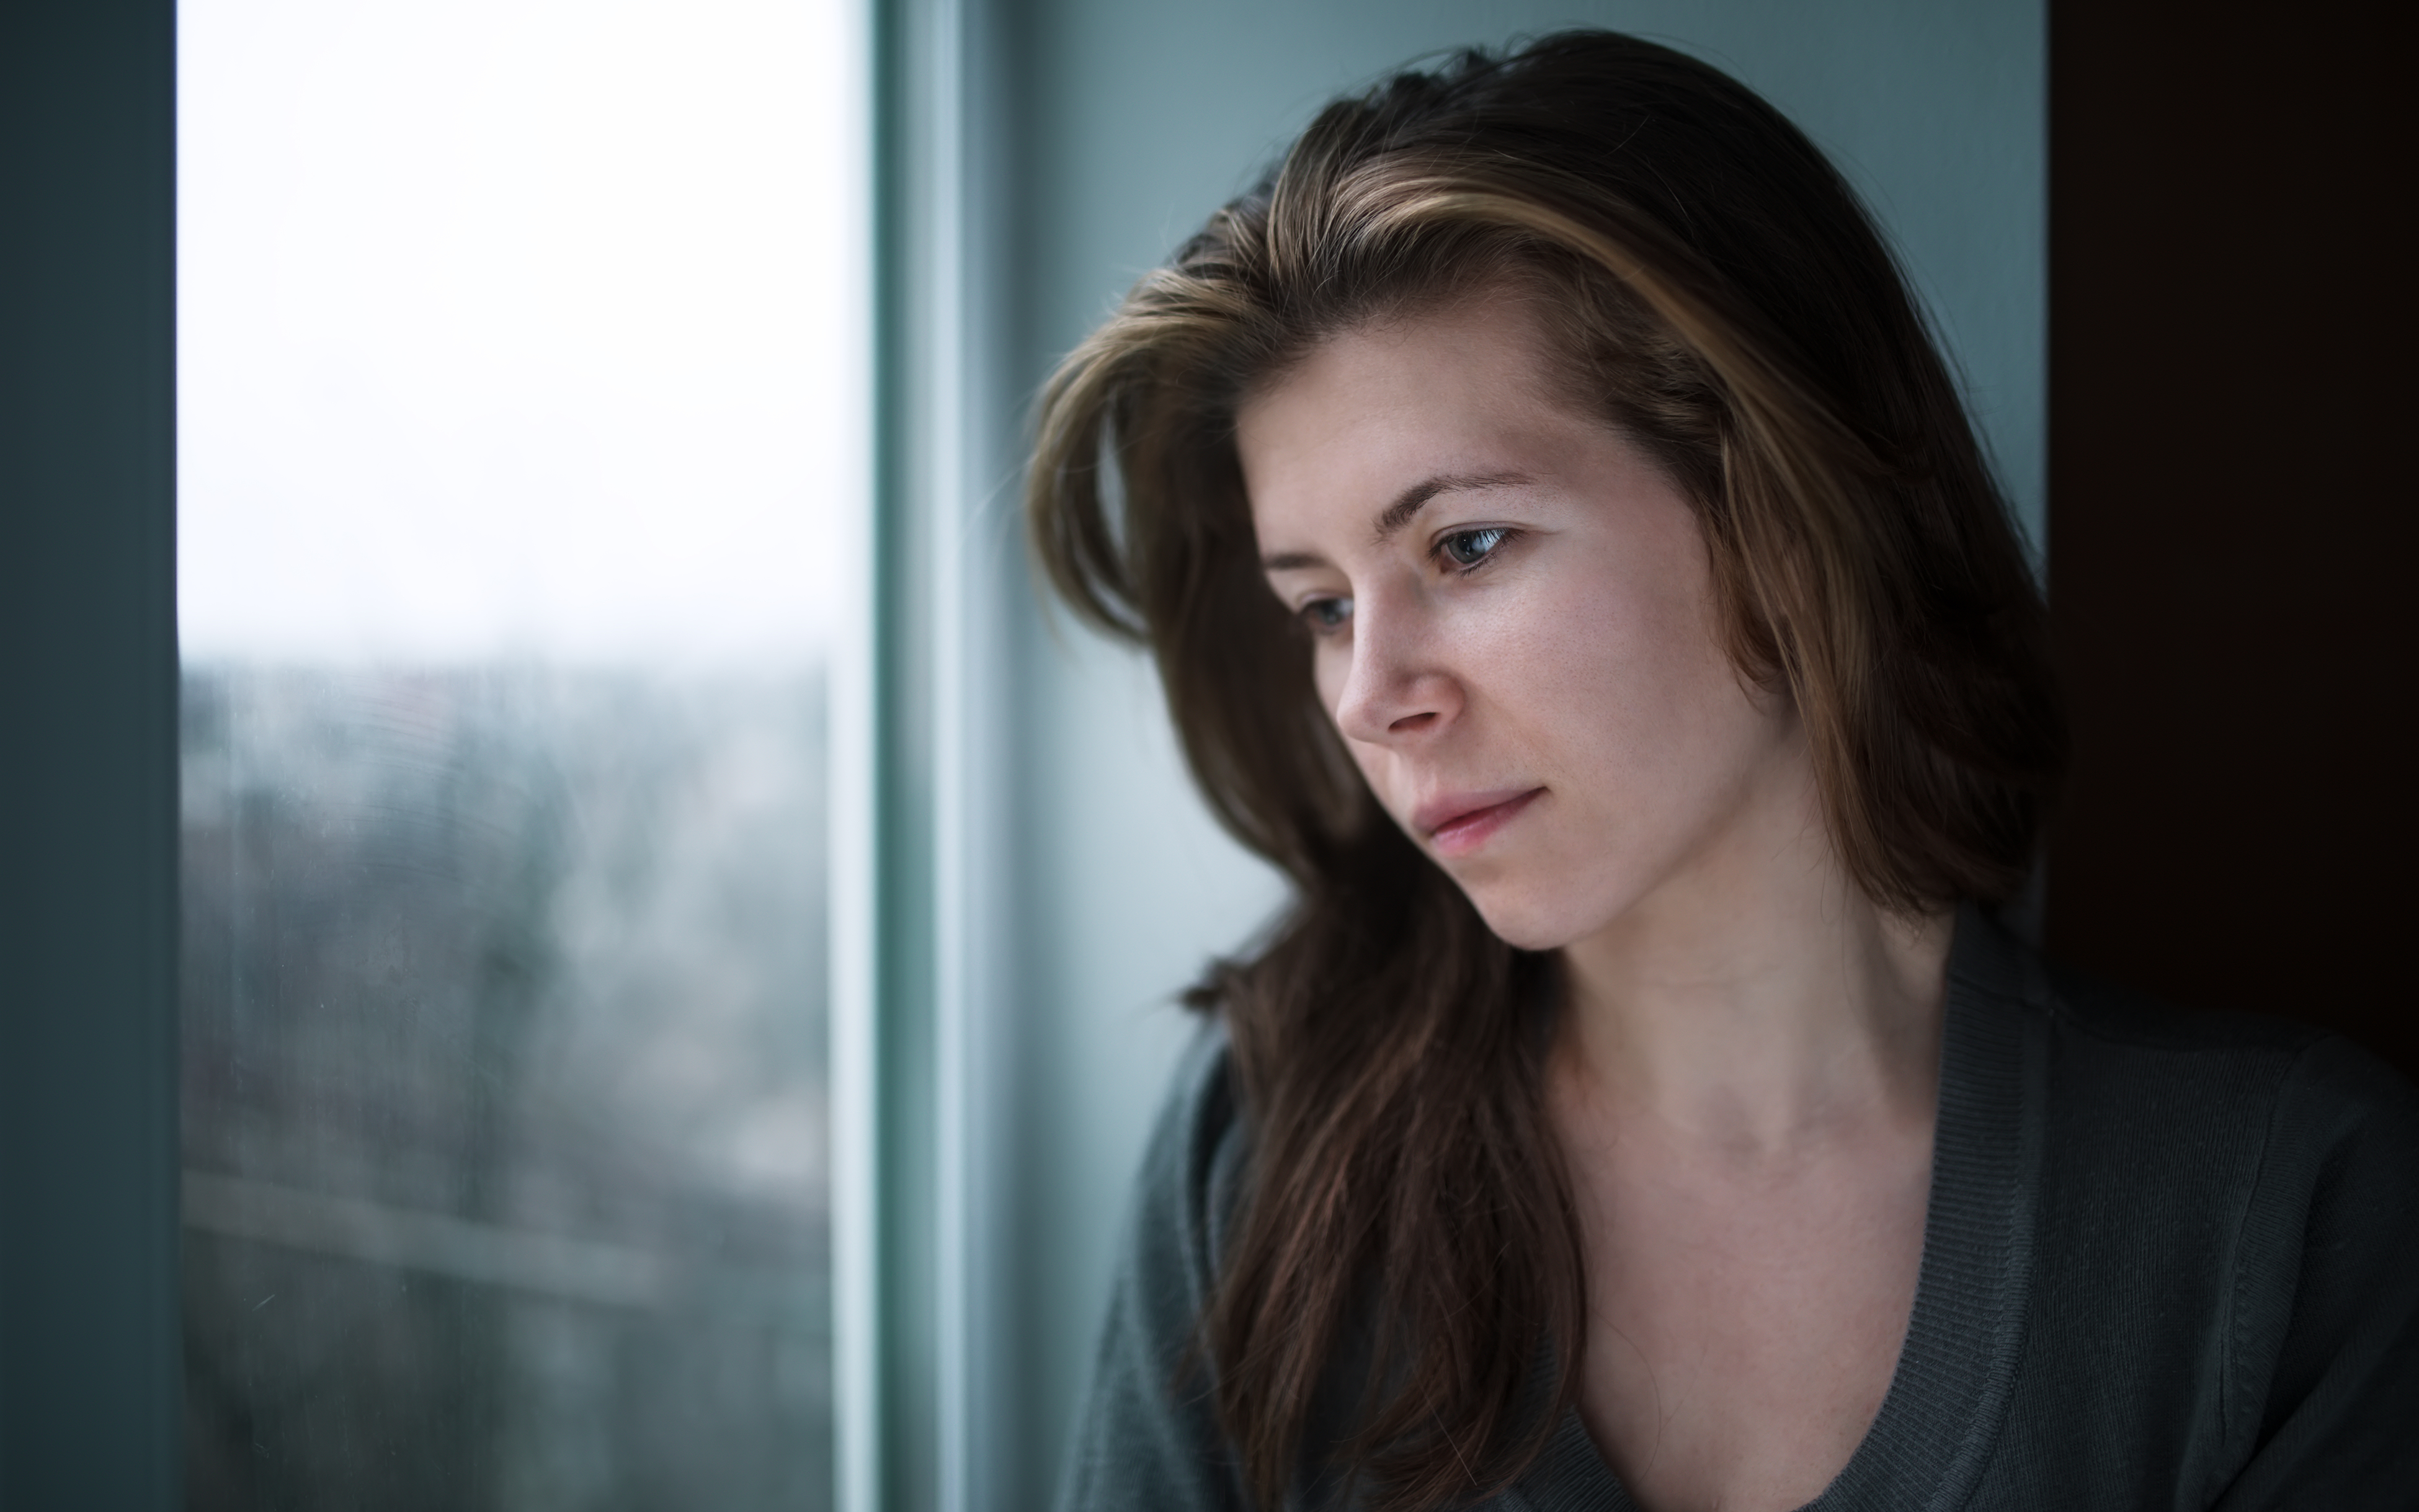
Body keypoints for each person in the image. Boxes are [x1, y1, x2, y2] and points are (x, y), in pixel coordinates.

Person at [1024, 32, 2419, 1512]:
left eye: (1466, 545)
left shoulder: (2285, 1222)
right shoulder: (1263, 1151)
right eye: (1323, 605)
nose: (1372, 696)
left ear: (1778, 503)